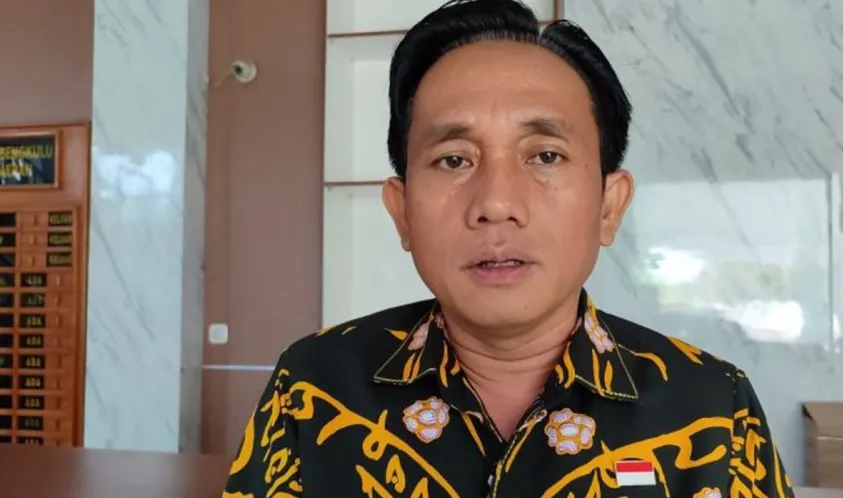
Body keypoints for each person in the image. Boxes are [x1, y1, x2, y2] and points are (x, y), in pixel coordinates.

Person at [222, 0, 795, 496]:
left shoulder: (713, 408)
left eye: (545, 156)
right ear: (402, 212)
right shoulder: (314, 387)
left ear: (609, 205)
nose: (496, 203)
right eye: (454, 159)